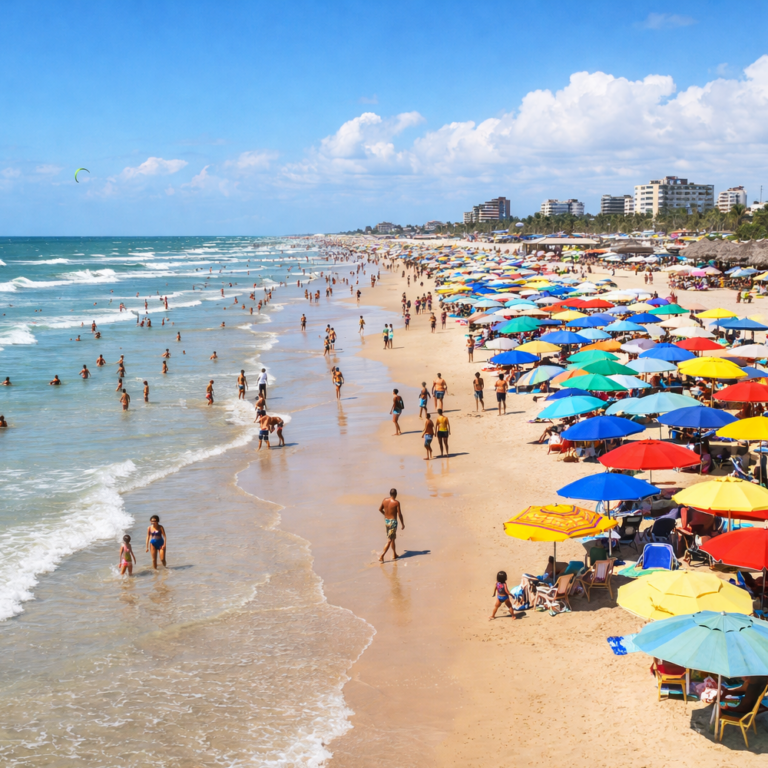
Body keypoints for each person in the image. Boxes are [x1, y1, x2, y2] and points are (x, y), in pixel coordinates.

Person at [378, 488, 404, 562]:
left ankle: (394, 554)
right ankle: (382, 555)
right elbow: (399, 514)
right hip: (393, 522)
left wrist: (385, 514)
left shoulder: (384, 500)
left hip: (387, 521)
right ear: (396, 494)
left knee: (392, 539)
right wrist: (402, 524)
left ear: (390, 494)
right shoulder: (396, 503)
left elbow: (380, 509)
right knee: (390, 540)